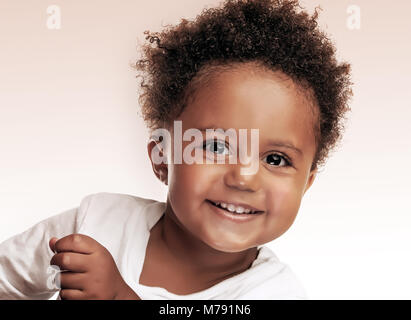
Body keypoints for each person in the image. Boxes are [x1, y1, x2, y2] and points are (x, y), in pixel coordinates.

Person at [0, 0, 353, 300]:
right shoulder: (96, 223)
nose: (244, 177)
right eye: (216, 146)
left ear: (306, 183)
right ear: (162, 156)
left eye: (275, 159)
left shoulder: (274, 292)